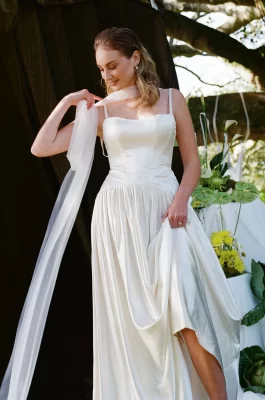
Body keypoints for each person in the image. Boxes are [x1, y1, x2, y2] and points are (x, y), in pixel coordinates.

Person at [0, 27, 242, 400]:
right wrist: (68, 101)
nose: (107, 75)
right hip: (118, 218)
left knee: (186, 310)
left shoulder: (171, 99)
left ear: (135, 58)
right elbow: (41, 146)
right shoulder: (101, 111)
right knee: (135, 321)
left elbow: (192, 164)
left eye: (113, 65)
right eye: (101, 69)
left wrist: (181, 199)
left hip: (168, 213)